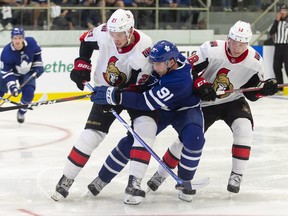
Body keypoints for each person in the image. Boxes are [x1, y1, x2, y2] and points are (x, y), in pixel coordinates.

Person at [145, 20, 278, 194]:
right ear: (228, 38)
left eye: (242, 43)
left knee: (244, 129)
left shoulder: (255, 61)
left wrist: (264, 90)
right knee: (186, 140)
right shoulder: (211, 49)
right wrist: (200, 84)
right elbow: (186, 69)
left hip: (233, 101)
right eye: (233, 41)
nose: (236, 47)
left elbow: (251, 94)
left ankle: (237, 175)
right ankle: (160, 174)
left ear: (248, 43)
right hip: (206, 102)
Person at [51, 9, 158, 203]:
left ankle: (134, 183)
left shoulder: (144, 45)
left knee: (145, 130)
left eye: (119, 34)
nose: (115, 38)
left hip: (135, 92)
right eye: (113, 33)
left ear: (130, 30)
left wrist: (115, 96)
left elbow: (135, 83)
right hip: (105, 89)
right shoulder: (104, 32)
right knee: (90, 136)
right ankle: (66, 179)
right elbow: (85, 41)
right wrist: (81, 65)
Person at [89, 40, 205, 204]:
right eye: (154, 62)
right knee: (132, 141)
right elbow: (142, 83)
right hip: (162, 109)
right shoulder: (170, 59)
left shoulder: (179, 81)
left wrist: (116, 97)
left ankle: (185, 181)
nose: (154, 67)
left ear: (171, 62)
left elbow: (145, 101)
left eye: (159, 64)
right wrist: (116, 90)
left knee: (195, 138)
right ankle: (102, 178)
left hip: (185, 110)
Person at [0, 27, 44, 123]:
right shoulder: (6, 53)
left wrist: (38, 66)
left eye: (20, 38)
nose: (17, 40)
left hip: (27, 72)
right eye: (15, 38)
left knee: (29, 93)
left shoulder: (31, 43)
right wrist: (13, 87)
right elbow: (6, 72)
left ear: (23, 38)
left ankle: (21, 112)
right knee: (0, 90)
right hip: (11, 73)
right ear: (11, 39)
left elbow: (37, 55)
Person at [269, 4, 288, 92]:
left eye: (284, 10)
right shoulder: (277, 22)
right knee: (276, 66)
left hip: (287, 46)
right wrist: (276, 21)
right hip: (278, 46)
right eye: (281, 10)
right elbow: (271, 32)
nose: (282, 12)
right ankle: (280, 87)